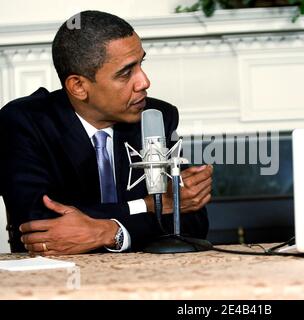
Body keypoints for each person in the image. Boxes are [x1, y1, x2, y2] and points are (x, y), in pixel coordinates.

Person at [0, 11, 212, 255]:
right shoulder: (24, 122)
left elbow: (192, 222)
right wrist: (148, 205)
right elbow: (39, 224)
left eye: (141, 64)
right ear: (78, 86)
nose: (144, 82)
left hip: (147, 279)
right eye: (125, 73)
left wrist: (112, 231)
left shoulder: (155, 116)